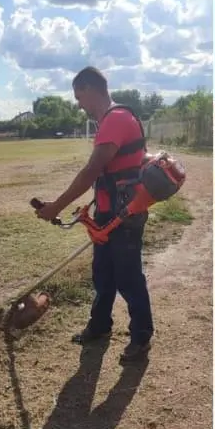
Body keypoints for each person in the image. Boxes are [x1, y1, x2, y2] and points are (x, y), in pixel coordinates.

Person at [35, 66, 153, 364]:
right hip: (107, 213)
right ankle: (100, 327)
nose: (78, 104)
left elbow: (91, 171)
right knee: (103, 275)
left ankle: (141, 337)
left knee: (128, 279)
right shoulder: (110, 121)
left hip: (123, 216)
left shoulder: (116, 119)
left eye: (78, 96)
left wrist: (56, 206)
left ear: (90, 89)